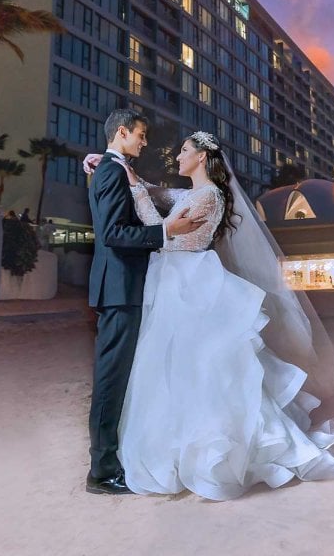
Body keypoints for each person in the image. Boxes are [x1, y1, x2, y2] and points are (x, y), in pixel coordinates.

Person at [81, 130, 334, 500]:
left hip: (192, 282)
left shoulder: (211, 196)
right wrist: (119, 170)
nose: (177, 157)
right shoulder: (189, 194)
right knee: (177, 365)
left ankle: (219, 447)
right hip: (173, 283)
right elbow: (158, 193)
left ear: (201, 157)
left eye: (184, 151)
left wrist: (136, 191)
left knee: (205, 365)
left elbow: (175, 236)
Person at [84, 110, 206, 496]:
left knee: (121, 379)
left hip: (126, 287)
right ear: (122, 132)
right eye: (141, 134)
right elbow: (114, 233)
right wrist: (167, 232)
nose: (144, 141)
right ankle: (101, 473)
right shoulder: (110, 170)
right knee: (110, 381)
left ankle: (114, 460)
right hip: (119, 289)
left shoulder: (111, 168)